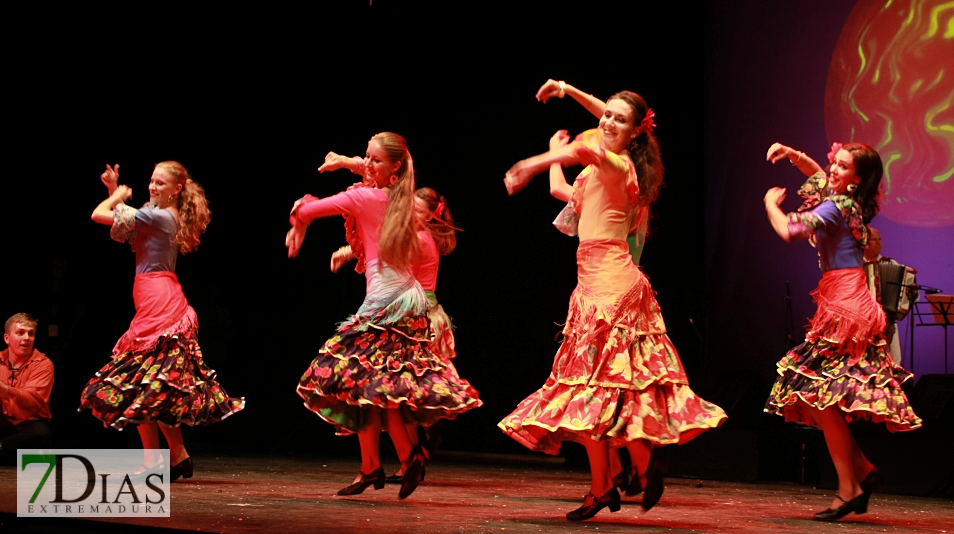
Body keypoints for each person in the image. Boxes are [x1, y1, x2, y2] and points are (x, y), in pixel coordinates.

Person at [499, 83, 727, 521]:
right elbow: (563, 190)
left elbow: (590, 151)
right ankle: (617, 477)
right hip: (605, 283)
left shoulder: (614, 161)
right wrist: (567, 93)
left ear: (636, 134)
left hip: (607, 289)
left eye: (618, 121)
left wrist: (531, 163)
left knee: (588, 390)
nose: (606, 122)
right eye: (606, 116)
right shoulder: (613, 165)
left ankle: (631, 467)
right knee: (601, 392)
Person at [288, 132, 481, 500]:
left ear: (392, 170)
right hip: (404, 302)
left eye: (375, 160)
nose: (368, 164)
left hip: (386, 305)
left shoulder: (364, 198)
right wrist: (349, 163)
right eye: (367, 158)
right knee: (374, 386)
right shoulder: (401, 194)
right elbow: (381, 170)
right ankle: (377, 465)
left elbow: (309, 209)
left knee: (366, 382)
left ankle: (405, 458)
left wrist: (298, 222)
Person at [763, 141, 921, 522]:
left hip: (846, 308)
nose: (833, 170)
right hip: (845, 300)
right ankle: (861, 473)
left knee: (822, 398)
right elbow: (819, 176)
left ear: (857, 179)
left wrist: (770, 203)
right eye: (835, 162)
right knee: (823, 397)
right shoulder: (847, 202)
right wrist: (793, 154)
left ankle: (851, 485)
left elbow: (790, 229)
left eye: (843, 167)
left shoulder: (836, 207)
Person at [81, 162, 244, 481]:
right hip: (152, 297)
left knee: (144, 383)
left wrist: (115, 197)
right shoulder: (156, 214)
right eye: (151, 181)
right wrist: (115, 190)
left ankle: (156, 460)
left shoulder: (159, 216)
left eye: (159, 183)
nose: (152, 187)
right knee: (153, 385)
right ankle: (177, 456)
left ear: (177, 189)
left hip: (160, 301)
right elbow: (125, 225)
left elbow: (100, 215)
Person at [1, 313, 54, 464]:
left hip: (27, 428)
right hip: (3, 425)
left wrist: (4, 390)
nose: (26, 338)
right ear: (7, 338)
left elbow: (33, 400)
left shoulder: (43, 364)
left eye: (31, 334)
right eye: (20, 333)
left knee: (40, 434)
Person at [862, 226, 904, 365]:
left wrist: (909, 296)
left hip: (888, 324)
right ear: (864, 242)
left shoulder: (890, 264)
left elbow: (903, 292)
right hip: (864, 325)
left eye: (880, 239)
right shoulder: (856, 266)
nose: (879, 242)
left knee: (894, 362)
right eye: (874, 239)